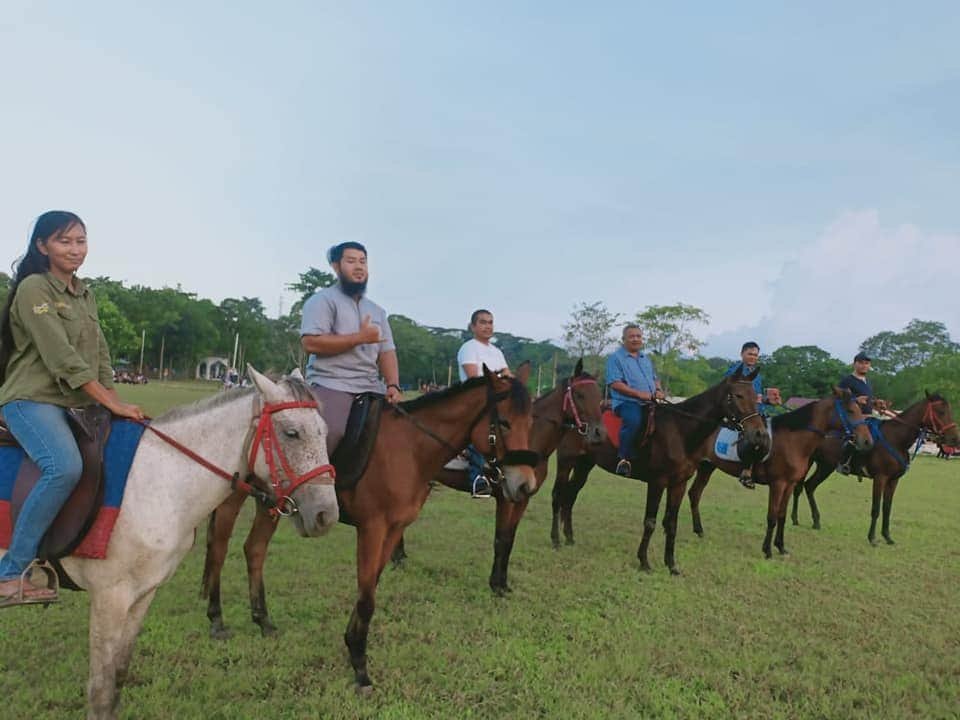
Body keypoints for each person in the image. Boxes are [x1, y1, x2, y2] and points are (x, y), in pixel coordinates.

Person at [0, 211, 144, 608]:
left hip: (76, 403)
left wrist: (115, 402)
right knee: (63, 466)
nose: (75, 249)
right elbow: (61, 357)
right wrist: (110, 401)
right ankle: (11, 572)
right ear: (42, 246)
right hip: (32, 400)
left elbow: (98, 354)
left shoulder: (84, 293)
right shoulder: (34, 289)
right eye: (64, 241)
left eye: (81, 240)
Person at [300, 242, 401, 459]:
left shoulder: (377, 311)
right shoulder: (322, 301)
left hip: (372, 386)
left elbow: (387, 351)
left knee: (400, 432)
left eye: (363, 262)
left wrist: (393, 384)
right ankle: (303, 488)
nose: (359, 267)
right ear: (336, 267)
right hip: (332, 383)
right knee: (331, 431)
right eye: (351, 261)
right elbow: (311, 343)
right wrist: (360, 338)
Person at [456, 309, 510, 497]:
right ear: (473, 327)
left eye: (490, 322)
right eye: (483, 322)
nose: (488, 326)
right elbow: (474, 378)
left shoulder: (496, 352)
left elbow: (507, 376)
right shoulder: (469, 348)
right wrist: (499, 381)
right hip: (474, 401)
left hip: (496, 401)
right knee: (481, 429)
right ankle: (476, 478)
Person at [605, 324, 664, 477]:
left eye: (638, 336)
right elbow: (615, 383)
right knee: (634, 420)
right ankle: (624, 459)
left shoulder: (645, 358)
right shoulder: (615, 358)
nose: (636, 339)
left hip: (650, 402)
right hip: (626, 402)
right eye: (632, 336)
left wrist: (657, 390)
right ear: (623, 339)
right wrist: (638, 394)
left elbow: (655, 379)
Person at [724, 341, 769, 488]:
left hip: (757, 412)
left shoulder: (756, 374)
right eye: (750, 354)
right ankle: (746, 470)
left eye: (755, 355)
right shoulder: (735, 371)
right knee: (752, 437)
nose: (753, 357)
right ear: (742, 354)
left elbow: (758, 396)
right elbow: (731, 392)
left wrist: (769, 400)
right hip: (741, 413)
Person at [836, 351, 874, 474]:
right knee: (858, 440)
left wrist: (875, 402)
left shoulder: (868, 382)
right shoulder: (847, 381)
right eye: (861, 363)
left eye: (866, 363)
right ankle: (846, 463)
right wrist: (855, 400)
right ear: (855, 364)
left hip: (868, 417)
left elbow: (867, 400)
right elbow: (838, 399)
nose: (864, 366)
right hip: (853, 419)